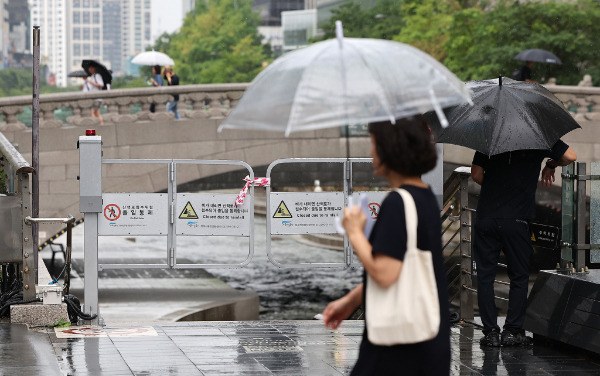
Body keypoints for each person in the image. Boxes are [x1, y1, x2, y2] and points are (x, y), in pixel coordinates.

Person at [322, 116, 450, 376]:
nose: (371, 153)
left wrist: (355, 233)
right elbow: (399, 264)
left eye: (374, 145)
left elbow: (385, 273)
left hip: (399, 347)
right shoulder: (423, 197)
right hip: (428, 338)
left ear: (391, 150)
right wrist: (351, 300)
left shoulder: (397, 204)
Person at [472, 141, 576, 347]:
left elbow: (476, 174)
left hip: (487, 216)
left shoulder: (490, 137)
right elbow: (571, 156)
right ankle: (511, 331)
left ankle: (491, 333)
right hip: (516, 219)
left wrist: (496, 188)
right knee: (519, 276)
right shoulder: (540, 137)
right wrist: (551, 164)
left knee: (485, 277)